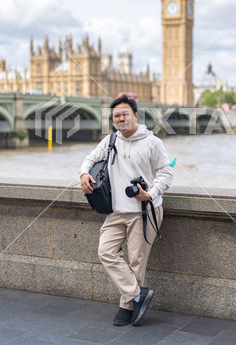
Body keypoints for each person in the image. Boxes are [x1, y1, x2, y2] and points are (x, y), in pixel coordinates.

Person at [80, 94, 173, 326]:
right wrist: (83, 173)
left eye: (124, 114)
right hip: (115, 211)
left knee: (136, 261)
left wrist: (150, 194)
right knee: (105, 252)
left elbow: (166, 173)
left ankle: (127, 305)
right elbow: (90, 159)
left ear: (135, 116)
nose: (120, 119)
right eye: (116, 116)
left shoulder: (153, 143)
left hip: (144, 211)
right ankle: (137, 295)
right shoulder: (111, 140)